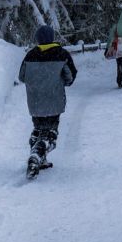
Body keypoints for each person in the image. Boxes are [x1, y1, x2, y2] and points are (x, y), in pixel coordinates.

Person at [18, 25, 77, 179]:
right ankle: (37, 154)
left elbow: (22, 77)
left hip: (35, 101)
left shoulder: (30, 55)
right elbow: (70, 77)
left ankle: (39, 159)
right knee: (51, 132)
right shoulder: (61, 54)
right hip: (54, 99)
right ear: (52, 37)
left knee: (38, 129)